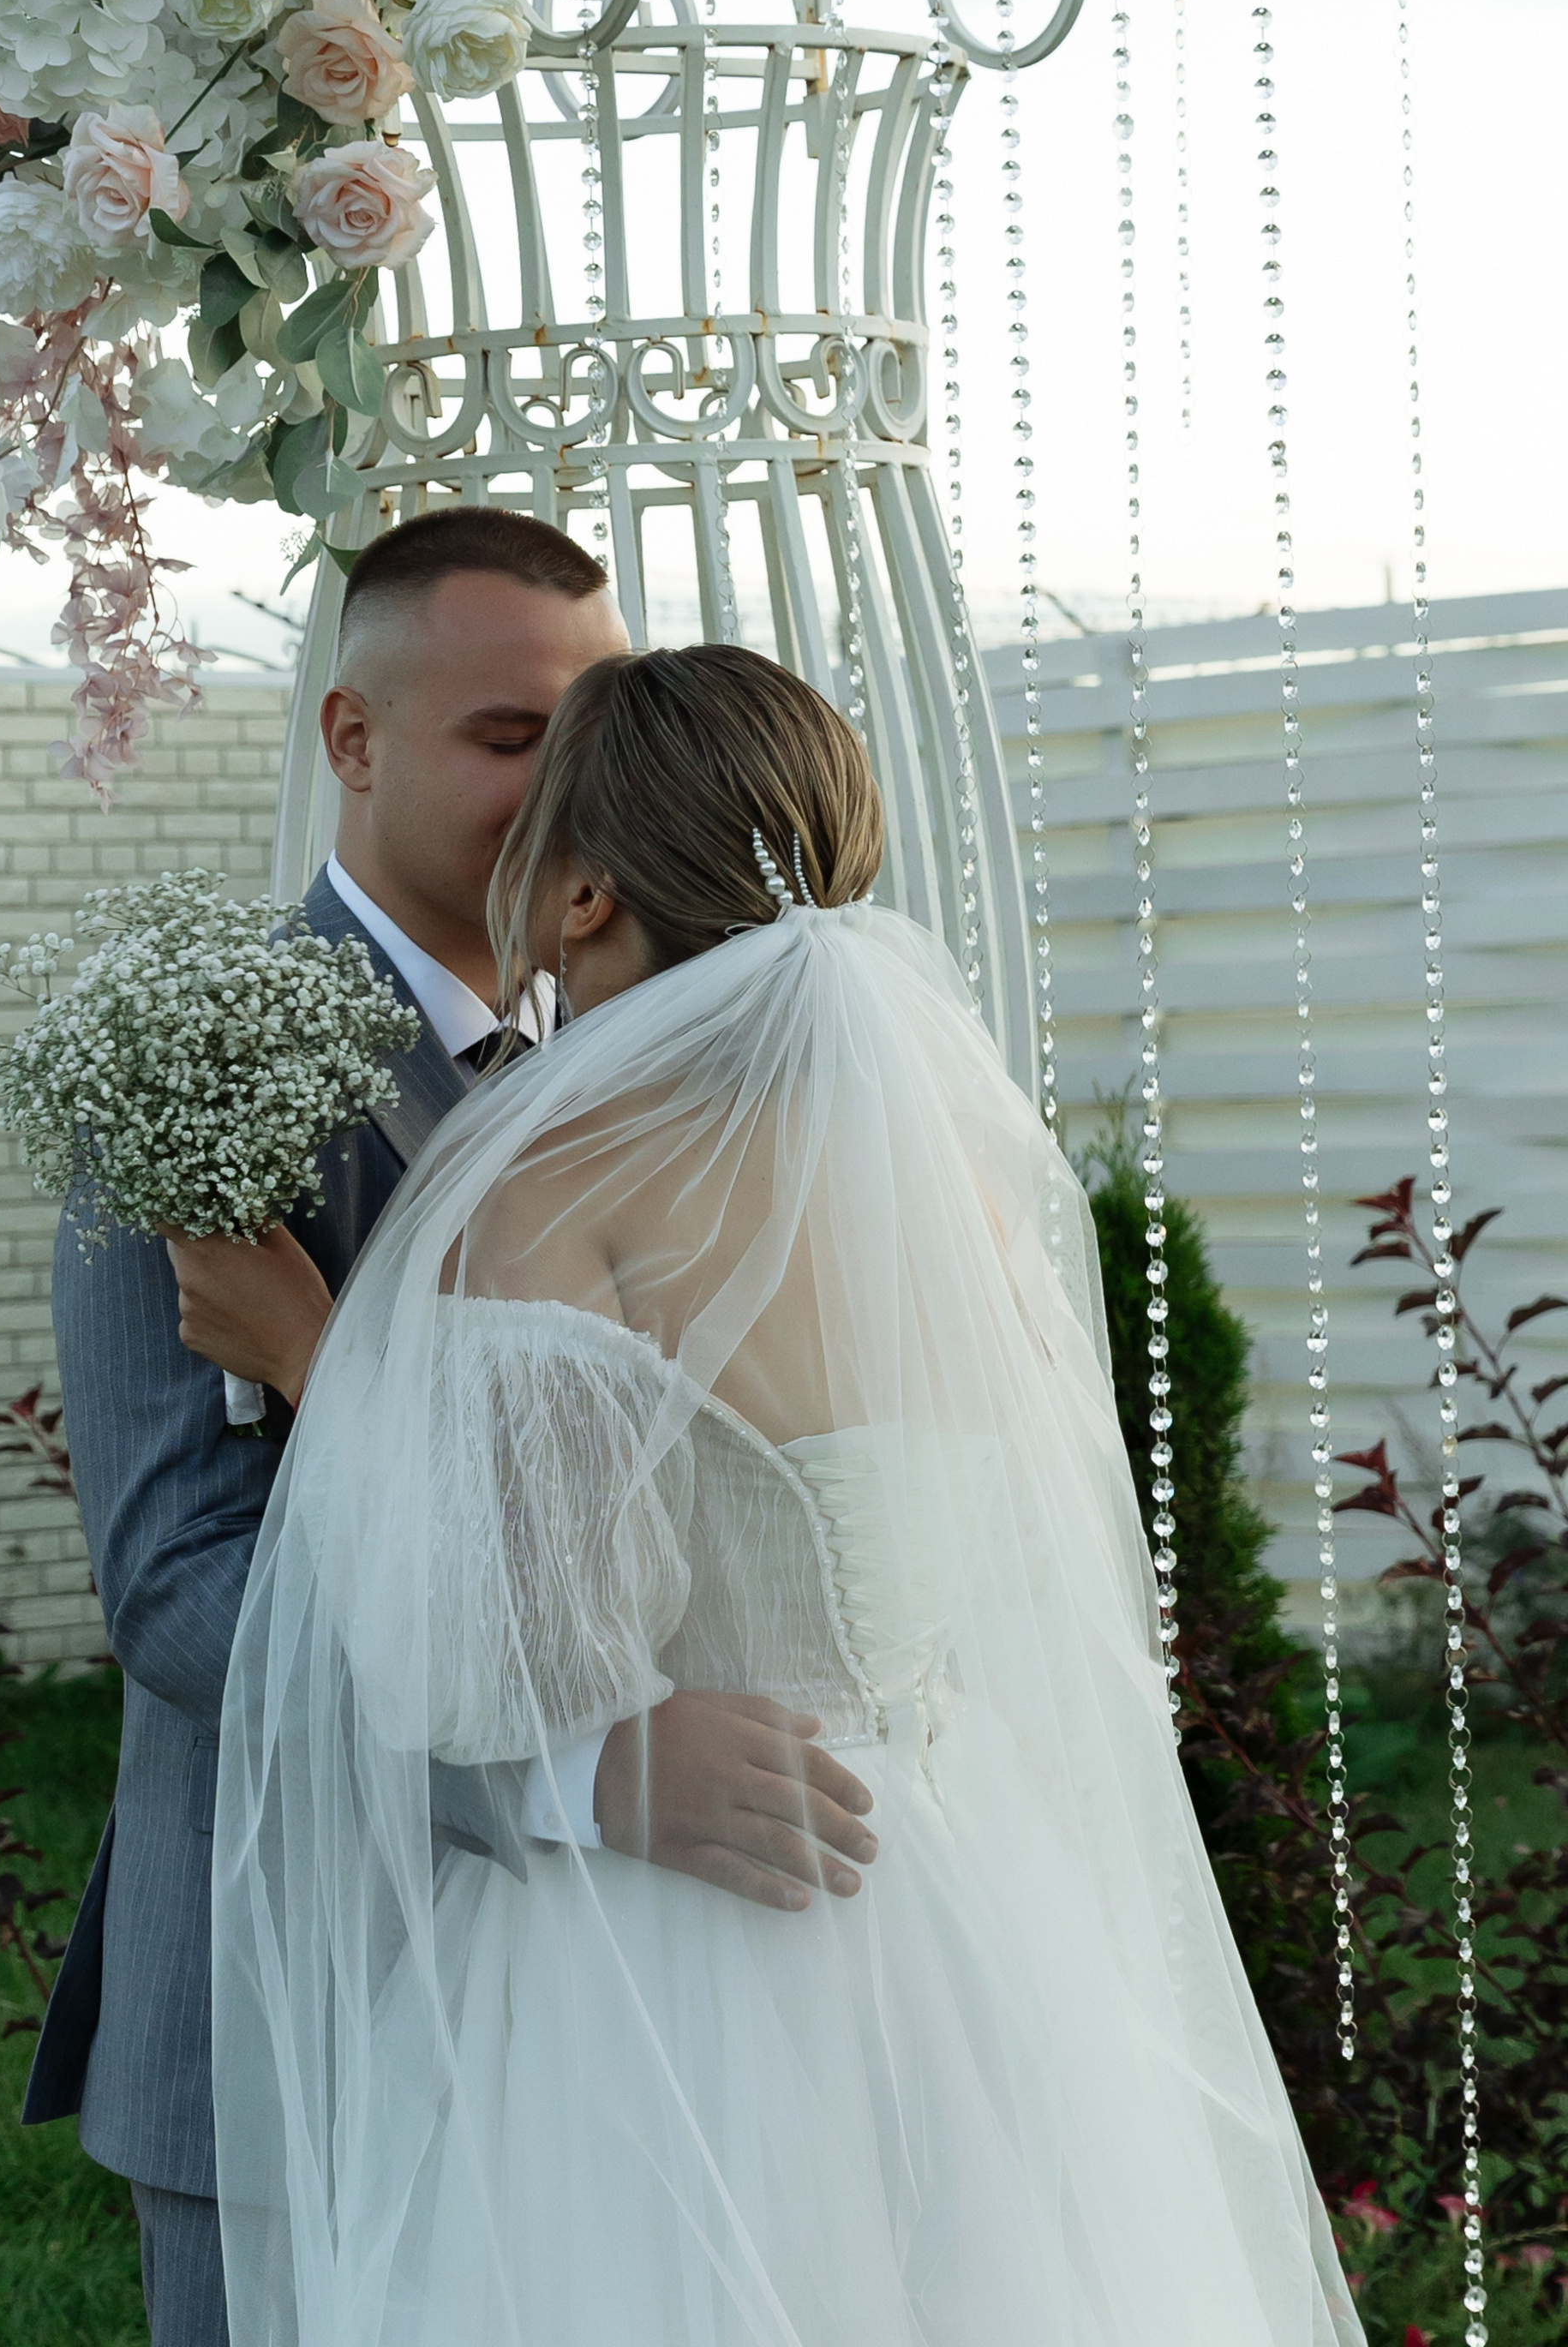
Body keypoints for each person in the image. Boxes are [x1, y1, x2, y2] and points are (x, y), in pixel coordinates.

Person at [210, 644, 1366, 2347]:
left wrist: (312, 1359)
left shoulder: (557, 1177)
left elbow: (500, 1661)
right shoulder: (962, 1172)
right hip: (947, 1887)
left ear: (583, 893)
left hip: (675, 1948)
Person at [23, 517, 883, 2347]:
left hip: (667, 2012)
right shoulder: (195, 1060)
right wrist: (576, 1773)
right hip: (298, 2002)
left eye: (593, 735)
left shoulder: (676, 1078)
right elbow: (179, 1585)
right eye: (512, 739)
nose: (565, 788)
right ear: (352, 738)